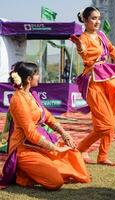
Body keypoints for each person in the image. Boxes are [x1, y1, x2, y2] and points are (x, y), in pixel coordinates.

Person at [0, 61, 91, 190]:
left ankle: (34, 171)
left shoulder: (31, 95)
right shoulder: (19, 100)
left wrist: (64, 133)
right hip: (24, 149)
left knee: (72, 153)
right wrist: (54, 148)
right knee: (55, 182)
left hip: (38, 145)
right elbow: (30, 133)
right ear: (28, 78)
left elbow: (48, 117)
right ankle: (21, 171)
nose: (39, 76)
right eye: (36, 74)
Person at [70, 6, 115, 166]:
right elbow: (83, 52)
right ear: (85, 20)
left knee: (111, 122)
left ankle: (102, 156)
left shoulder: (102, 35)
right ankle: (80, 149)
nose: (97, 21)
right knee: (104, 125)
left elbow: (112, 51)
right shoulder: (83, 38)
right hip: (93, 83)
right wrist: (79, 45)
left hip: (108, 80)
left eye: (98, 18)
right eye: (93, 18)